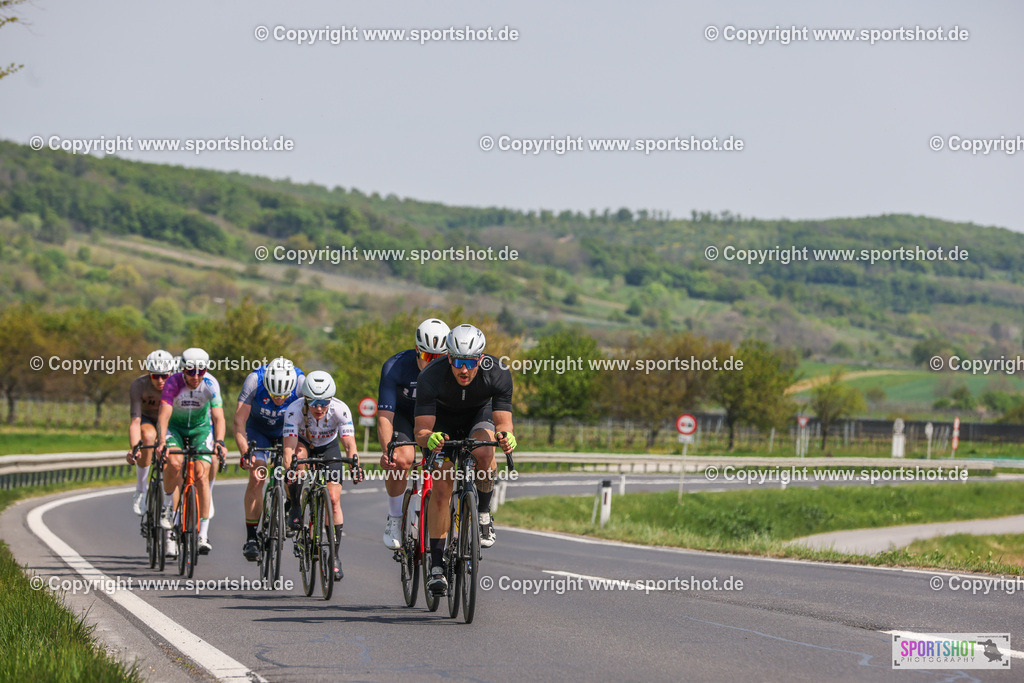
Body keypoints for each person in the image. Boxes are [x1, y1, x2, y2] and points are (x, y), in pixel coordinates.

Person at [414, 324, 517, 594]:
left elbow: (503, 422)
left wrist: (506, 436)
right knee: (442, 487)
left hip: (477, 416)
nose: (464, 370)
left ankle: (482, 512)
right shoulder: (430, 377)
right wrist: (429, 440)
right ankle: (437, 567)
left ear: (480, 359)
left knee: (485, 451)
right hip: (441, 424)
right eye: (458, 361)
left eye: (470, 362)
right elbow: (421, 430)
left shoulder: (498, 373)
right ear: (448, 357)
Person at [282, 370, 362, 581]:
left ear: (331, 400)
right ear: (306, 399)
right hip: (303, 443)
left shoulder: (340, 409)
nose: (319, 407)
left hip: (328, 448)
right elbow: (288, 447)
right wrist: (290, 467)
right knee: (297, 460)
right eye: (314, 402)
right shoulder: (294, 410)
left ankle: (334, 557)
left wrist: (355, 465)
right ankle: (296, 508)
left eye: (324, 402)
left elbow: (349, 443)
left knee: (334, 500)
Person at [377, 318, 450, 549]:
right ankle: (395, 516)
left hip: (435, 418)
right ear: (417, 350)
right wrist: (387, 450)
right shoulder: (395, 366)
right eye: (428, 357)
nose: (432, 363)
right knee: (402, 459)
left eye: (439, 358)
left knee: (445, 467)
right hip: (404, 416)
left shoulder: (454, 369)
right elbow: (384, 417)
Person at [156, 347, 228, 556]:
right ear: (182, 370)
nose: (196, 376)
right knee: (175, 463)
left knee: (201, 475)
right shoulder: (172, 383)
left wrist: (220, 441)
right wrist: (161, 441)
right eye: (190, 371)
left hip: (200, 429)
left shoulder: (211, 383)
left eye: (201, 371)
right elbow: (164, 414)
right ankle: (168, 506)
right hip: (175, 430)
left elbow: (218, 416)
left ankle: (202, 535)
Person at [234, 357, 304, 562]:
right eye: (274, 394)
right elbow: (239, 421)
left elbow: (308, 421)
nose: (279, 399)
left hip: (288, 430)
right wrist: (245, 451)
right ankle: (252, 537)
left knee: (293, 469)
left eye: (283, 395)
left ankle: (291, 506)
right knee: (257, 476)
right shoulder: (254, 380)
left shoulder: (300, 383)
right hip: (258, 430)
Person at [126, 349, 175, 515]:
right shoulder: (139, 386)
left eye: (164, 376)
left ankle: (168, 502)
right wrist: (135, 447)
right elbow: (135, 421)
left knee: (170, 455)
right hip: (148, 420)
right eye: (155, 376)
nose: (160, 381)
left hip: (169, 422)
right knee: (147, 437)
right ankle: (141, 490)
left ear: (171, 373)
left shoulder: (178, 386)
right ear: (149, 374)